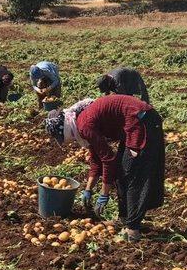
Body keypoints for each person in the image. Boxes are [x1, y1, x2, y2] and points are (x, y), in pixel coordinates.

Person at [45, 94, 165, 241]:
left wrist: (104, 193)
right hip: (134, 122)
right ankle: (125, 219)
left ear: (64, 129)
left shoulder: (84, 125)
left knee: (132, 173)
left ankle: (133, 229)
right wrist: (88, 190)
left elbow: (108, 159)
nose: (66, 141)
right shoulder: (81, 123)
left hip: (142, 121)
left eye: (61, 137)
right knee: (122, 172)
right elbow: (96, 159)